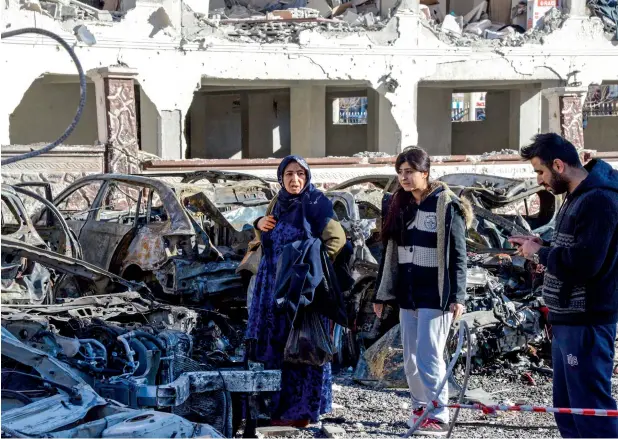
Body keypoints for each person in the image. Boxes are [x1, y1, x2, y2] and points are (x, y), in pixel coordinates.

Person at [508, 133, 618, 438]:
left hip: (587, 321)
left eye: (540, 172)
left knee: (590, 410)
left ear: (558, 165)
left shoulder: (599, 200)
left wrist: (540, 253)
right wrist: (541, 243)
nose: (540, 180)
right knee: (568, 410)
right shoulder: (577, 196)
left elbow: (585, 263)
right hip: (568, 319)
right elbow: (573, 246)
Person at [373, 146, 471, 436]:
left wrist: (458, 296)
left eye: (410, 172)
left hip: (435, 293)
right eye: (400, 172)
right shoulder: (397, 205)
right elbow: (388, 253)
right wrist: (382, 294)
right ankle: (420, 408)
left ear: (425, 173)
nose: (404, 177)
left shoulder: (445, 204)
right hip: (408, 293)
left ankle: (438, 414)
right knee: (410, 358)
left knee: (430, 355)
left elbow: (458, 255)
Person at [246, 155, 346, 428]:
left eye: (300, 174)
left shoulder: (315, 203)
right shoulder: (278, 201)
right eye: (289, 174)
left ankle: (302, 411)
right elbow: (268, 236)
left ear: (307, 176)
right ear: (281, 177)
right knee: (278, 346)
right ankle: (279, 407)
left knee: (302, 347)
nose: (295, 179)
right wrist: (259, 225)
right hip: (272, 286)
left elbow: (336, 239)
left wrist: (312, 271)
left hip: (300, 290)